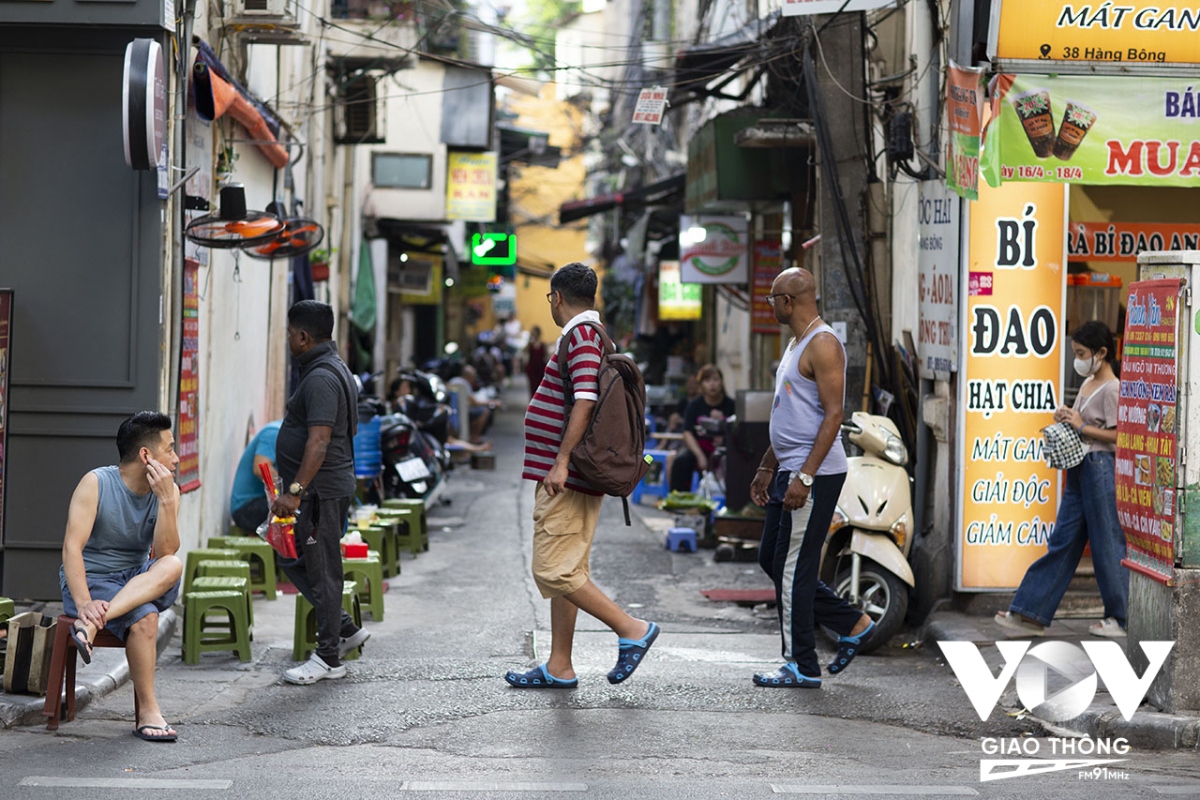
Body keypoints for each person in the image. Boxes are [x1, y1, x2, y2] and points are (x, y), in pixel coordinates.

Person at [505, 261, 659, 688]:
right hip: (571, 474)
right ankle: (559, 664)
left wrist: (561, 461)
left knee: (553, 571)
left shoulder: (581, 336)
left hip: (568, 477)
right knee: (567, 569)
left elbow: (586, 400)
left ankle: (632, 630)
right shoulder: (587, 335)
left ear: (556, 297)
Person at [748, 267, 873, 688]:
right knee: (772, 558)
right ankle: (852, 621)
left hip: (812, 473)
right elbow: (789, 413)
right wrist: (769, 464)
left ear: (789, 301)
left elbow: (834, 415)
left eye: (773, 298)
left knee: (792, 571)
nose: (771, 305)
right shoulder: (796, 343)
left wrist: (804, 476)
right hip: (788, 468)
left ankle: (801, 663)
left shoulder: (823, 344)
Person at [995, 320, 1128, 639]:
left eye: (1081, 353)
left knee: (1107, 543)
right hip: (1081, 466)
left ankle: (1122, 617)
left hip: (1100, 465)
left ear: (1101, 353)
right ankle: (1030, 612)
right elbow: (1082, 421)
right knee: (1063, 540)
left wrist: (1081, 425)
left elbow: (1119, 436)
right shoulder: (1089, 383)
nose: (1077, 359)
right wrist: (1068, 416)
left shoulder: (1112, 388)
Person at [60, 411, 184, 741]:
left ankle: (93, 624)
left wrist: (167, 503)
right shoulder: (96, 483)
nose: (175, 458)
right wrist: (84, 601)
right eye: (169, 448)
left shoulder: (169, 492)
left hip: (138, 579)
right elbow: (72, 549)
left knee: (173, 565)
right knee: (145, 619)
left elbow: (164, 551)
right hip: (93, 579)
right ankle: (149, 712)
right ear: (146, 455)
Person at [272, 300, 360, 685]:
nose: (289, 340)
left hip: (319, 493)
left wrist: (294, 491)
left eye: (291, 334)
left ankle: (328, 658)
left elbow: (319, 442)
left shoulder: (322, 377)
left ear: (304, 337)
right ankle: (344, 627)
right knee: (292, 559)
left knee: (323, 571)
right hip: (321, 491)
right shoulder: (327, 368)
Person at [229, 419, 368, 657]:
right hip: (248, 507)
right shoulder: (275, 433)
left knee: (309, 539)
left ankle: (339, 624)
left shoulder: (298, 438)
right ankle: (339, 624)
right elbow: (260, 467)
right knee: (301, 547)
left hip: (279, 502)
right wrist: (290, 495)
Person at [669, 364, 735, 492]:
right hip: (699, 448)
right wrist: (700, 456)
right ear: (702, 384)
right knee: (681, 461)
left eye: (715, 380)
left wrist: (724, 427)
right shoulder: (694, 405)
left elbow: (737, 430)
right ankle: (679, 499)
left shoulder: (731, 405)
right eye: (707, 380)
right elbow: (687, 432)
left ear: (721, 382)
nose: (712, 384)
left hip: (724, 450)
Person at [447, 364, 499, 444]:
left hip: (454, 410)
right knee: (485, 411)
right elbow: (475, 402)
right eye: (474, 376)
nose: (475, 379)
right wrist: (493, 402)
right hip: (461, 412)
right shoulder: (464, 384)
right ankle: (474, 436)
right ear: (469, 376)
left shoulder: (453, 380)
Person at [523, 325, 548, 394]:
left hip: (540, 367)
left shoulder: (543, 344)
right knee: (532, 386)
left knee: (540, 385)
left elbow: (546, 356)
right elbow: (524, 351)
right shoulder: (530, 344)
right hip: (532, 367)